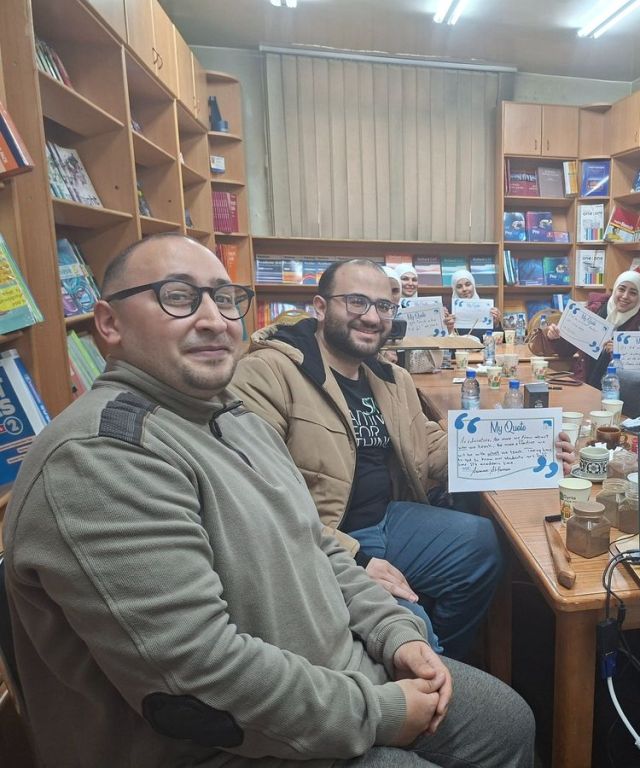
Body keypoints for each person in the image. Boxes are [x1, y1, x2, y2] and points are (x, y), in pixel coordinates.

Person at [2, 233, 535, 766]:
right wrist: (379, 712)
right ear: (109, 324)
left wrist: (395, 634)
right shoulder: (101, 458)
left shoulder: (228, 413)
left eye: (225, 298)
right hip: (221, 743)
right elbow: (198, 684)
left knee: (507, 719)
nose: (214, 319)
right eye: (178, 297)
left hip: (332, 671)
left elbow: (319, 545)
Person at [232, 258, 577, 660]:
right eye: (356, 302)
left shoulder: (390, 378)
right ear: (321, 308)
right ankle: (425, 669)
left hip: (387, 519)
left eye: (383, 306)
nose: (372, 317)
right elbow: (257, 499)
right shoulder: (268, 373)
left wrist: (529, 447)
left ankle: (447, 663)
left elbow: (430, 447)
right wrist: (355, 558)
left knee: (483, 544)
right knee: (410, 628)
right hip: (325, 536)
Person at [535, 270, 640, 387]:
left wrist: (622, 351)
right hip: (585, 384)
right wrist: (556, 338)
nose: (625, 296)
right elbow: (567, 351)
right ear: (615, 289)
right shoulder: (594, 311)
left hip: (618, 390)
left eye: (633, 293)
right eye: (621, 289)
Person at [442, 269, 501, 337]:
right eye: (459, 286)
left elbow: (500, 341)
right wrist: (444, 326)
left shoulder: (487, 309)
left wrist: (496, 324)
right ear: (454, 290)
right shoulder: (448, 312)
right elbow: (439, 341)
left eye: (468, 284)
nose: (464, 289)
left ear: (473, 285)